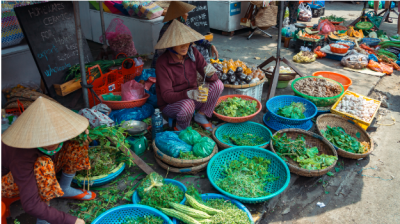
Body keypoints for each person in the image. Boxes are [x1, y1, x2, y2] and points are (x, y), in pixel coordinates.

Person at [1, 97, 95, 224]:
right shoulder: (21, 153)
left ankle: (65, 188)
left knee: (77, 142)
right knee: (43, 165)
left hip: (40, 167)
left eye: (54, 135)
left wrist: (80, 133)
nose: (52, 142)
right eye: (46, 138)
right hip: (9, 181)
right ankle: (42, 220)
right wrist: (70, 220)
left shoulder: (59, 135)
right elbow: (30, 204)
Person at [155, 20, 224, 131]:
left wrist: (211, 73)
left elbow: (213, 79)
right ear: (171, 44)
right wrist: (189, 94)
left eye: (187, 42)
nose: (184, 46)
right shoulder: (162, 63)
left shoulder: (193, 53)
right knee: (188, 104)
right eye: (179, 42)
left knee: (218, 85)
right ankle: (181, 128)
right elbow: (166, 96)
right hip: (171, 105)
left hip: (193, 97)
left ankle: (200, 116)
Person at [151, 1, 218, 69]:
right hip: (170, 57)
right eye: (185, 13)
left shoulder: (185, 25)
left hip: (181, 53)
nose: (187, 15)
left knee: (202, 48)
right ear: (179, 16)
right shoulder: (167, 28)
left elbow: (196, 39)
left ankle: (206, 70)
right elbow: (161, 52)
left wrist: (210, 45)